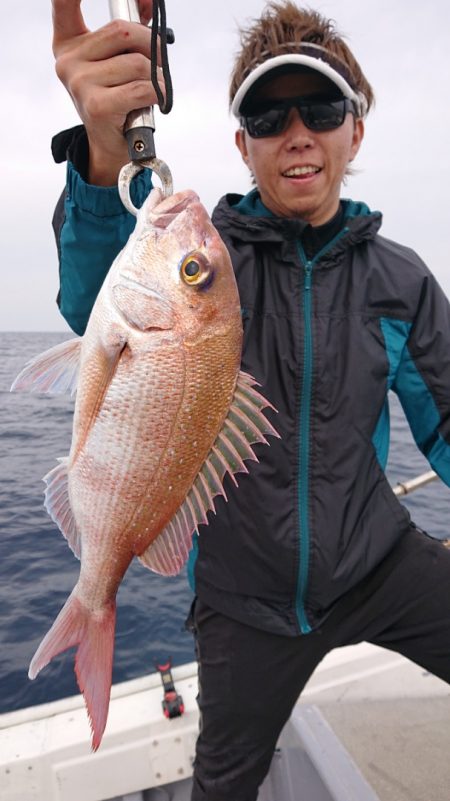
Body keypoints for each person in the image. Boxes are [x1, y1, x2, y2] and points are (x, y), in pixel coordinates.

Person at [50, 1, 450, 799]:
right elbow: (96, 298)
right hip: (245, 601)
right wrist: (104, 153)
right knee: (224, 782)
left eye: (324, 108)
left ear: (355, 133)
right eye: (270, 115)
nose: (297, 131)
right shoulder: (206, 260)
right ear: (244, 144)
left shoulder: (401, 281)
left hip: (379, 561)